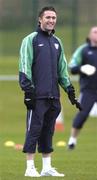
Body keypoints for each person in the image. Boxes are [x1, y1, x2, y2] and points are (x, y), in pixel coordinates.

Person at [19, 6, 81, 177]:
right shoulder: (30, 40)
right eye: (48, 17)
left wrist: (69, 89)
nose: (51, 20)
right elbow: (24, 67)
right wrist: (28, 91)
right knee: (34, 130)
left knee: (48, 131)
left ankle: (47, 167)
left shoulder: (57, 42)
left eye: (53, 17)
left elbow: (62, 70)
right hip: (37, 96)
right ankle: (30, 168)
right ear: (40, 19)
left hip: (54, 96)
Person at [68, 26, 97, 150]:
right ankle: (72, 140)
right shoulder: (83, 50)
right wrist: (81, 68)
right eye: (95, 32)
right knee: (83, 114)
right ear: (90, 35)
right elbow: (72, 66)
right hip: (89, 90)